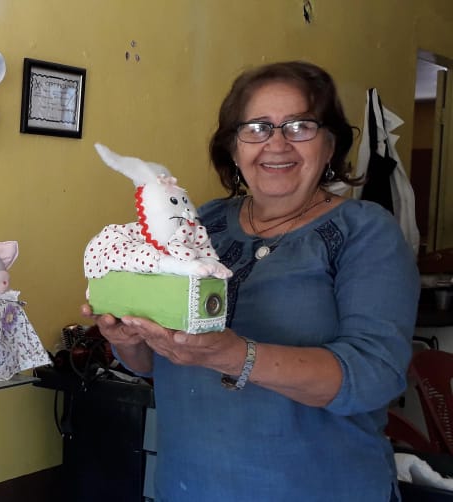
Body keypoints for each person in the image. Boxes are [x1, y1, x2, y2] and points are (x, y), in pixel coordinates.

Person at [84, 61, 419, 501]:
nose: (276, 144)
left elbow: (376, 374)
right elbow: (156, 362)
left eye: (300, 126)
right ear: (234, 147)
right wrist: (128, 339)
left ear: (330, 144)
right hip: (189, 487)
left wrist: (235, 355)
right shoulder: (200, 224)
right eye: (257, 128)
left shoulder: (365, 231)